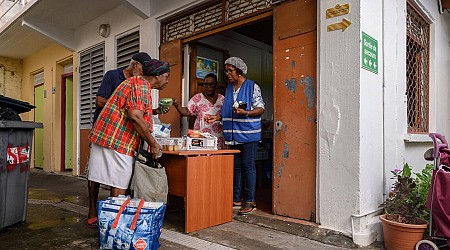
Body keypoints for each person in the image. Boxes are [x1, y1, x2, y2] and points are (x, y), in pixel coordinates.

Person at [86, 59, 169, 228]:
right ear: (157, 76)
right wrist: (152, 143)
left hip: (108, 137)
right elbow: (135, 116)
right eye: (166, 77)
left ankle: (111, 224)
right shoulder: (140, 85)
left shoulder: (137, 83)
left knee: (116, 182)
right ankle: (115, 229)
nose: (167, 81)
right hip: (117, 139)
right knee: (119, 184)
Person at [207, 57, 265, 215]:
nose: (227, 74)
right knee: (237, 167)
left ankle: (251, 200)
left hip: (248, 135)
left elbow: (260, 108)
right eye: (226, 71)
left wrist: (246, 112)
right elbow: (228, 111)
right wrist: (217, 118)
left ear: (239, 72)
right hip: (233, 135)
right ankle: (237, 198)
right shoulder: (229, 89)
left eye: (230, 70)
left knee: (248, 166)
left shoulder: (252, 86)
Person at [172, 73, 225, 149]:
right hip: (201, 137)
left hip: (218, 137)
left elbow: (227, 115)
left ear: (216, 85)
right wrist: (177, 106)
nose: (208, 87)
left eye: (211, 84)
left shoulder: (222, 99)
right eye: (206, 84)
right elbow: (187, 111)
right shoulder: (198, 98)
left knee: (216, 159)